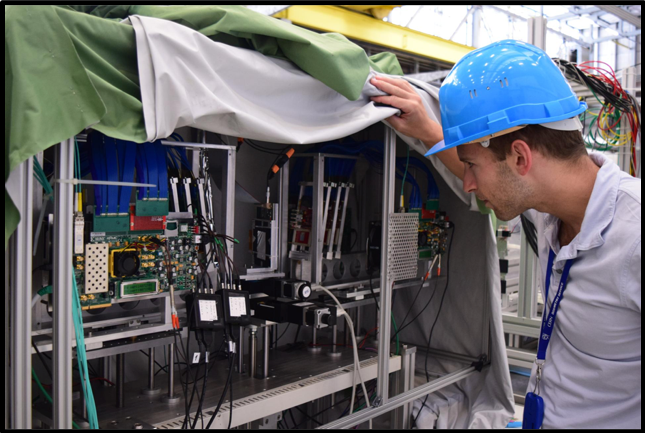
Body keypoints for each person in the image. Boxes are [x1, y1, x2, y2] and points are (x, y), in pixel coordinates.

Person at [370, 39, 641, 429]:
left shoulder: (631, 237)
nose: (466, 184)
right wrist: (428, 129)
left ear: (520, 157)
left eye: (471, 167)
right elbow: (492, 172)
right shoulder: (548, 210)